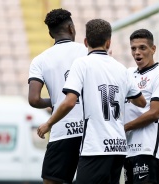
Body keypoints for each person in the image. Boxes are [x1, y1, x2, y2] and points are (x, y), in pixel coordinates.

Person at [37, 19, 146, 184]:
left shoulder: (82, 64)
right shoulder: (121, 69)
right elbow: (141, 102)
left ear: (86, 41)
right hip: (117, 147)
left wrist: (48, 124)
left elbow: (69, 102)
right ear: (109, 43)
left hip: (96, 146)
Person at [28, 8, 87, 184]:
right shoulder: (87, 52)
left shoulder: (40, 60)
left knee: (52, 180)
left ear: (50, 33)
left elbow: (34, 99)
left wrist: (55, 101)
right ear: (71, 28)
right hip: (89, 132)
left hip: (62, 132)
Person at [123, 29, 159, 184]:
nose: (137, 53)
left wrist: (124, 127)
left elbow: (154, 113)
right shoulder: (128, 74)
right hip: (127, 150)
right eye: (133, 48)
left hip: (147, 149)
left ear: (153, 49)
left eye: (142, 48)